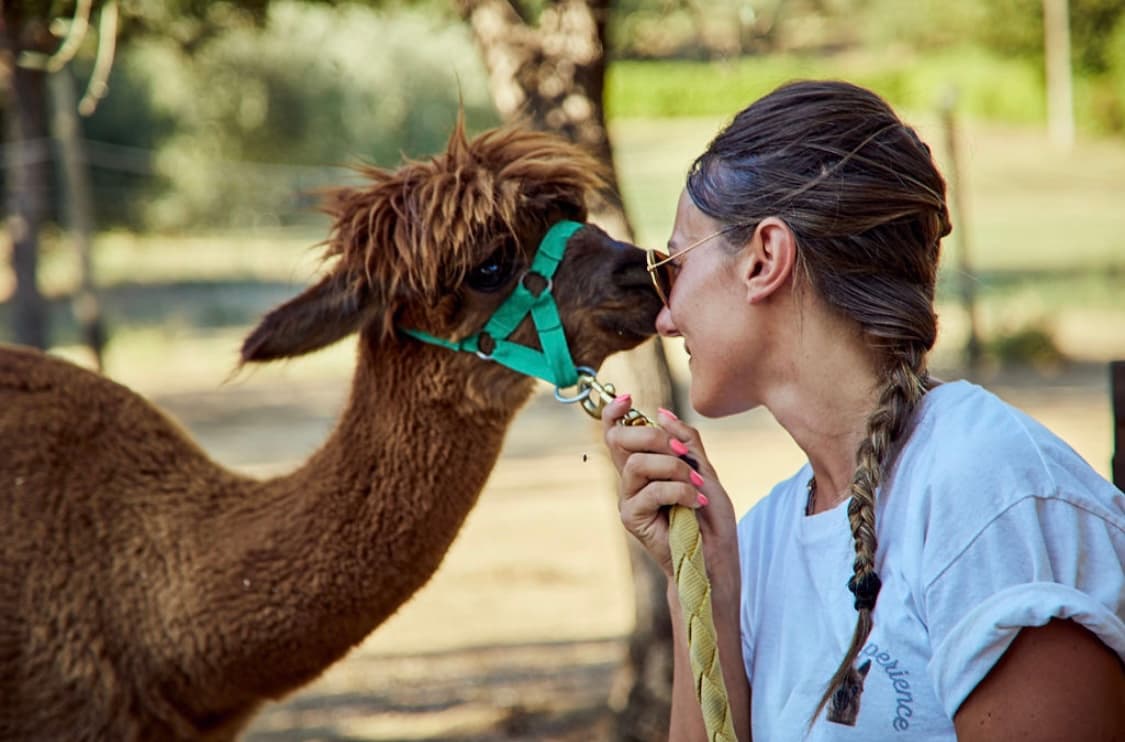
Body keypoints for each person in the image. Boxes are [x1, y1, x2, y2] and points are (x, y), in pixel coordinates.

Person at [601, 79, 1125, 741]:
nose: (664, 317)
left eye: (672, 265)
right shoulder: (756, 539)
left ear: (764, 258)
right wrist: (702, 586)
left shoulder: (990, 494)